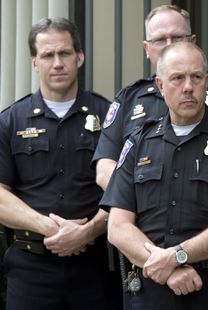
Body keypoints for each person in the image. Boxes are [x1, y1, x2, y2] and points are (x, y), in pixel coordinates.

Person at [101, 41, 208, 310]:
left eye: (196, 77)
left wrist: (178, 255)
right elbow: (118, 227)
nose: (188, 87)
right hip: (151, 290)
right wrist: (168, 268)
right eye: (177, 78)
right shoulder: (138, 141)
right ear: (161, 85)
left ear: (207, 82)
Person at [0, 17, 122, 310]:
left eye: (65, 53)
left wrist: (88, 231)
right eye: (47, 55)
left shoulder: (109, 118)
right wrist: (50, 229)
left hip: (95, 268)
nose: (57, 63)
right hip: (31, 268)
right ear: (34, 62)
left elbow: (125, 190)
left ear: (79, 57)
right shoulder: (10, 121)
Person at [93, 4, 208, 191]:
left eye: (178, 37)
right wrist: (146, 205)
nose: (169, 45)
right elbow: (105, 170)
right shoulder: (128, 99)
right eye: (160, 39)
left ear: (193, 41)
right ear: (147, 48)